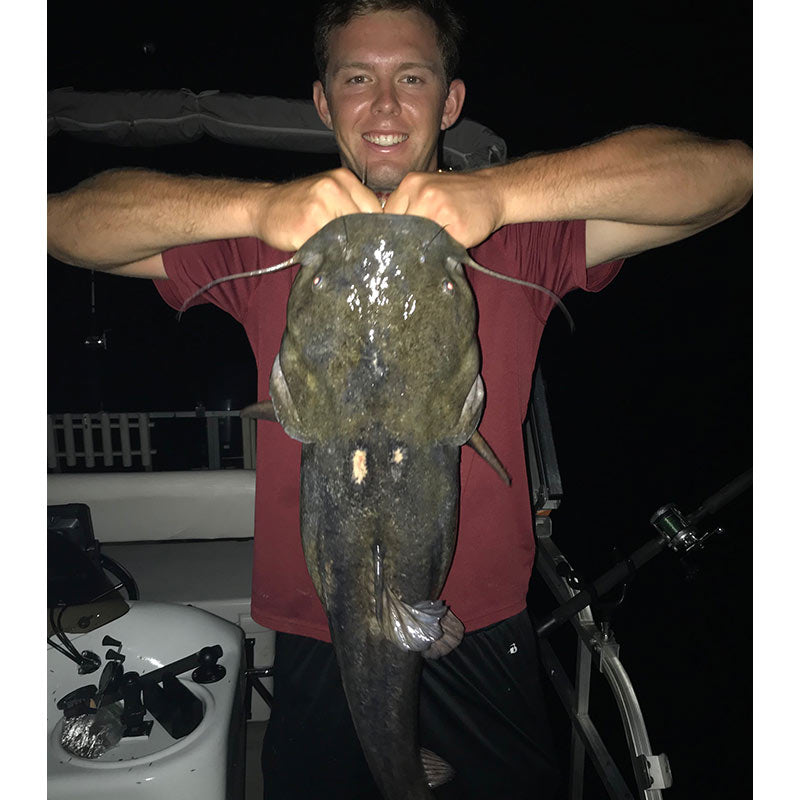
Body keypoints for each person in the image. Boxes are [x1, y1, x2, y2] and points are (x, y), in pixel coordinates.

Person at [47, 2, 752, 797]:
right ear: (324, 102)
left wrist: (503, 196)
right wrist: (256, 208)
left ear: (451, 102)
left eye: (411, 78)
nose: (385, 106)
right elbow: (63, 223)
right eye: (358, 78)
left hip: (482, 624)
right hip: (322, 630)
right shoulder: (270, 241)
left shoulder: (517, 234)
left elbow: (729, 175)